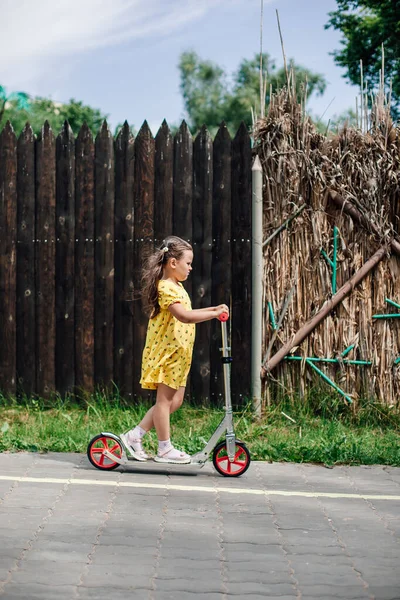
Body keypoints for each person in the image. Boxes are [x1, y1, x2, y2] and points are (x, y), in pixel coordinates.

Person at [120, 235, 229, 464]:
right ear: (173, 263)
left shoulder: (177, 287)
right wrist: (213, 314)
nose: (190, 268)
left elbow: (188, 311)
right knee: (164, 402)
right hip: (167, 354)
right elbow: (184, 316)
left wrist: (214, 308)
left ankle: (134, 436)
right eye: (187, 263)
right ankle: (164, 449)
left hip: (179, 355)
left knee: (174, 402)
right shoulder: (166, 288)